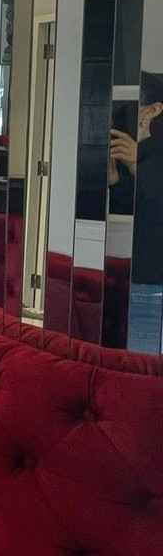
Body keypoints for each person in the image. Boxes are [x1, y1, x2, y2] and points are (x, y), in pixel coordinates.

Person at [109, 70, 163, 353]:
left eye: (135, 102)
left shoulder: (154, 151)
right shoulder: (132, 146)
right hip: (131, 270)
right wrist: (115, 179)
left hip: (152, 277)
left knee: (143, 362)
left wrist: (136, 164)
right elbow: (132, 208)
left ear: (153, 110)